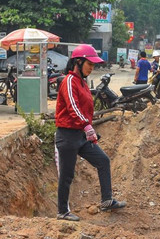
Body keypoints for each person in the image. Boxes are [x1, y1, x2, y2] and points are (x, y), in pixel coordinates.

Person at [54, 44, 126, 221]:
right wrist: (87, 126)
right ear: (78, 62)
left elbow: (85, 110)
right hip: (67, 135)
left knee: (103, 161)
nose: (92, 68)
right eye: (90, 64)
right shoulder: (69, 81)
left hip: (80, 135)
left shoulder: (82, 83)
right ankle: (62, 212)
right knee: (67, 174)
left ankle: (106, 200)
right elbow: (73, 108)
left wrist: (88, 129)